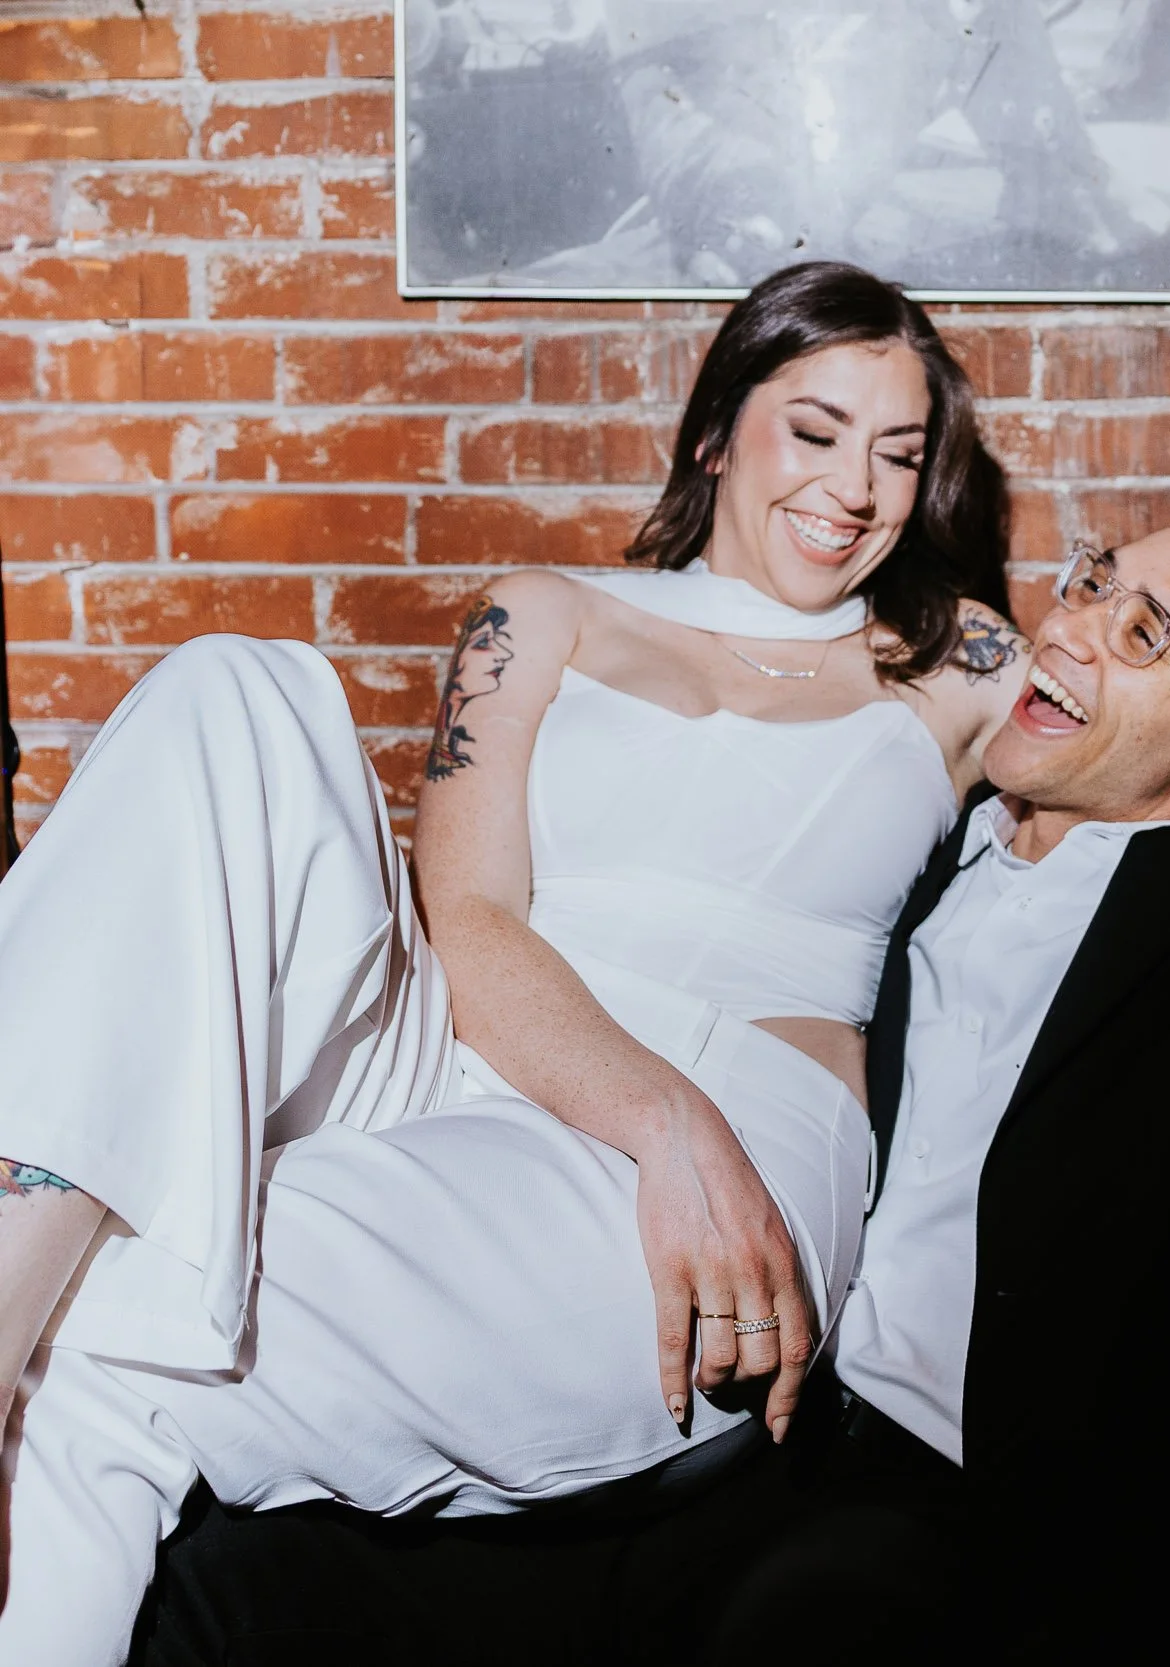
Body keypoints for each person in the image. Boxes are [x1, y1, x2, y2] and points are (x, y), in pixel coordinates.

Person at [133, 492, 1170, 1664]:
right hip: (742, 1437)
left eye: (1148, 636)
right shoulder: (926, 852)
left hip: (972, 1515)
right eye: (1096, 581)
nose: (1074, 629)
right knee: (225, 1588)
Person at [0, 260, 1032, 1664]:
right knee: (236, 689)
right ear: (719, 430)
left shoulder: (958, 661)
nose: (855, 489)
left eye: (899, 455)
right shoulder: (544, 611)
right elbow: (472, 914)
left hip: (731, 1139)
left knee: (117, 1323)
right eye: (816, 429)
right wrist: (662, 1115)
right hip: (487, 1044)